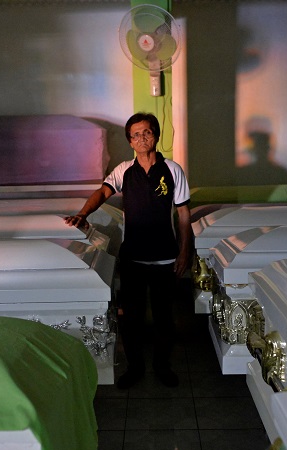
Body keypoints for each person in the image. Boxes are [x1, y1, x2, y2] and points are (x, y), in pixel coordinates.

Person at [65, 113, 192, 389]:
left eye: (146, 132)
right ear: (130, 141)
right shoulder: (124, 170)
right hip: (133, 256)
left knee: (163, 317)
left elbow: (183, 215)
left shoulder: (172, 170)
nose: (141, 138)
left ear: (156, 136)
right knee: (131, 318)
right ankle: (134, 367)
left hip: (165, 257)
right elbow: (102, 192)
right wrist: (82, 214)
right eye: (135, 135)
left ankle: (162, 366)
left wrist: (184, 252)